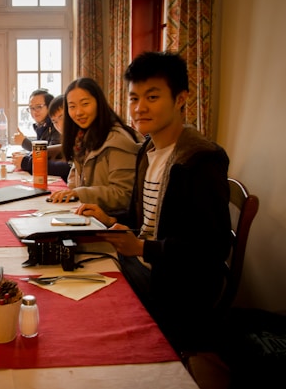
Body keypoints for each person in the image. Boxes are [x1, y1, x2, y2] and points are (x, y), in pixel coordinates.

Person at [78, 51, 232, 352]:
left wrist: (141, 247)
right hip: (147, 265)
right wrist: (111, 220)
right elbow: (150, 221)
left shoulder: (200, 160)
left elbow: (212, 248)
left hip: (179, 288)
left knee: (88, 300)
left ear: (180, 99)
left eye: (152, 97)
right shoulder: (147, 150)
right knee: (76, 264)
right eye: (134, 99)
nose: (139, 108)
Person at [48, 77, 143, 213]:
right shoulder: (82, 138)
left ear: (99, 102)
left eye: (85, 104)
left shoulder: (117, 140)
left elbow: (124, 195)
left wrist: (79, 193)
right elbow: (74, 180)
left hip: (110, 223)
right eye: (72, 107)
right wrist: (70, 193)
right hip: (86, 214)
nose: (79, 112)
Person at [12, 95, 72, 182]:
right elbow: (55, 149)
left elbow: (66, 166)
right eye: (31, 108)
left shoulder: (55, 129)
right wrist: (30, 155)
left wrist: (28, 162)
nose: (34, 111)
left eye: (38, 107)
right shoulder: (42, 127)